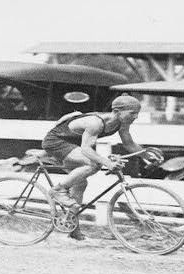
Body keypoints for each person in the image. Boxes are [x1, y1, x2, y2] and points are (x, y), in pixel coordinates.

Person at [42, 94, 160, 240]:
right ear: (117, 112)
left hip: (74, 145)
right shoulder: (96, 123)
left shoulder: (121, 123)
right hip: (56, 142)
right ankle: (58, 190)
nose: (135, 117)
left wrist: (146, 155)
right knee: (93, 164)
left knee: (80, 185)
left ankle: (72, 227)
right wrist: (107, 162)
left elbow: (129, 144)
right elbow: (86, 149)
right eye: (132, 113)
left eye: (137, 113)